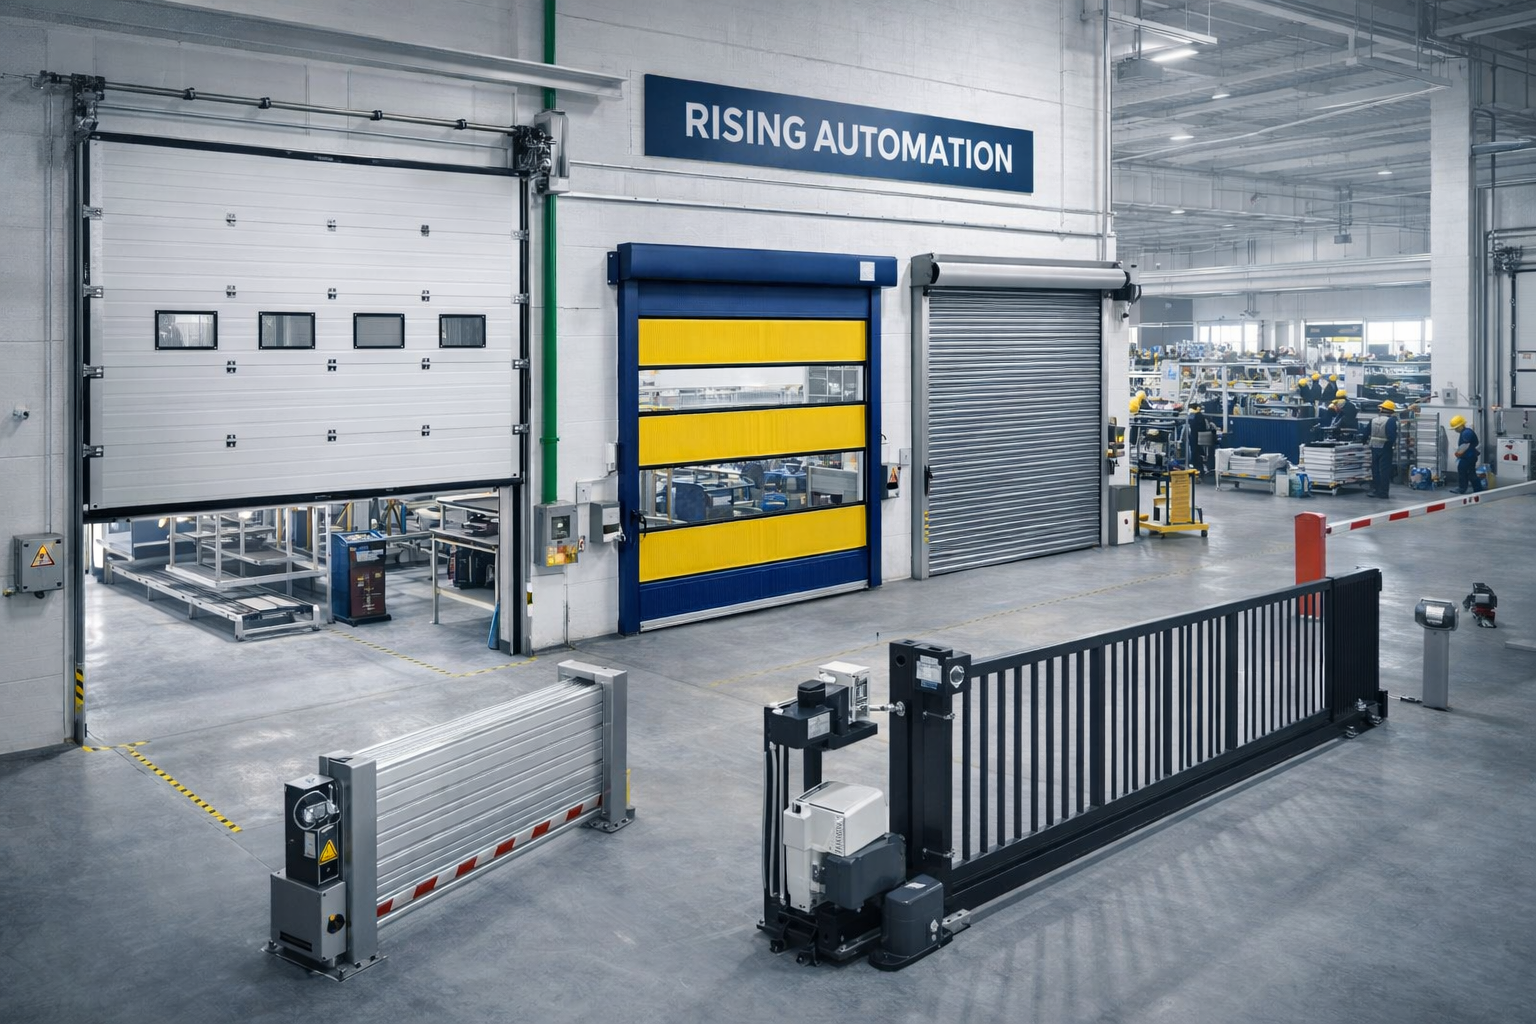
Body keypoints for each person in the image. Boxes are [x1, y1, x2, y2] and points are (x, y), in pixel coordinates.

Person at [1367, 400, 1398, 498]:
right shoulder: (1391, 421)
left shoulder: (1373, 420)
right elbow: (1391, 435)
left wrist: (1364, 441)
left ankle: (1375, 490)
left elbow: (1365, 433)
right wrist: (1392, 445)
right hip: (1385, 448)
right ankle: (1383, 493)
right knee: (1384, 470)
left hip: (1374, 447)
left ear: (1382, 409)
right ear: (1391, 411)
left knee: (1375, 470)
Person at [1450, 414, 1484, 494]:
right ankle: (1477, 489)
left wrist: (1458, 453)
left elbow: (1465, 445)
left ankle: (1463, 488)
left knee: (1465, 471)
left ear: (1461, 425)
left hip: (1468, 457)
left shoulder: (1466, 433)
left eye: (1456, 428)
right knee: (1470, 472)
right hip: (1469, 456)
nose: (1455, 430)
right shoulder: (1466, 432)